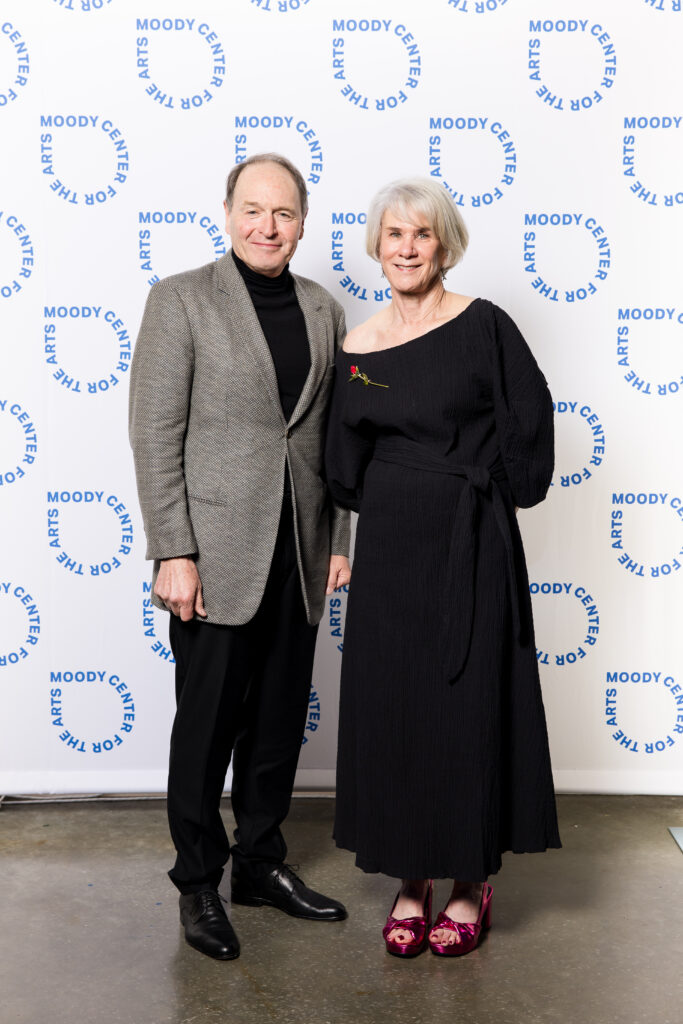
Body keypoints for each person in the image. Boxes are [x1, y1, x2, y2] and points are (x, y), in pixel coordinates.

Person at [325, 178, 561, 959]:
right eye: (393, 234)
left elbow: (529, 417)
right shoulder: (356, 347)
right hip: (392, 550)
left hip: (471, 540)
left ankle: (467, 881)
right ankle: (410, 879)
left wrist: (492, 493)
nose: (406, 248)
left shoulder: (483, 324)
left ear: (443, 245)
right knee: (397, 707)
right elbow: (342, 458)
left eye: (420, 234)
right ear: (376, 245)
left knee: (466, 705)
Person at [129, 153, 351, 961]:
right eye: (253, 210)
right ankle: (198, 882)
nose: (267, 226)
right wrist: (172, 551)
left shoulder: (324, 309)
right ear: (227, 215)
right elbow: (154, 433)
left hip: (300, 552)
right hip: (213, 555)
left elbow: (335, 438)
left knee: (278, 724)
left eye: (283, 213)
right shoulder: (181, 299)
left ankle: (259, 863)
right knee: (207, 727)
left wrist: (338, 540)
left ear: (302, 223)